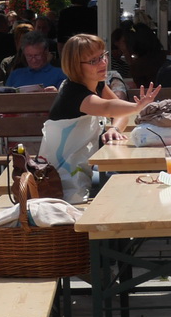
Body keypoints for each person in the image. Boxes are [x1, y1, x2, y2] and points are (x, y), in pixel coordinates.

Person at [42, 34, 160, 203]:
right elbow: (107, 107)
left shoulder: (97, 83)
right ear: (75, 66)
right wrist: (136, 107)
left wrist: (114, 128)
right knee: (123, 186)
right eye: (93, 61)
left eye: (102, 56)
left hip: (81, 167)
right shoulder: (73, 93)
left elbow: (118, 112)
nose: (103, 63)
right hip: (61, 178)